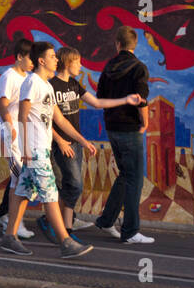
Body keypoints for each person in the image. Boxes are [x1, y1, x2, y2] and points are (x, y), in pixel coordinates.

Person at [37, 45, 147, 244]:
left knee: (70, 187)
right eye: (78, 62)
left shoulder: (74, 85)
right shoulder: (50, 86)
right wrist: (59, 141)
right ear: (68, 63)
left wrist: (126, 100)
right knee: (72, 186)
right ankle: (50, 221)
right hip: (59, 144)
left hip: (75, 142)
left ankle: (66, 230)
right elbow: (45, 118)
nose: (81, 65)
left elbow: (97, 103)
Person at [1, 42, 96, 259]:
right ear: (42, 61)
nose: (57, 60)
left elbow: (59, 119)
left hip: (39, 148)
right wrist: (24, 148)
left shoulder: (47, 86)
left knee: (22, 191)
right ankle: (65, 242)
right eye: (53, 56)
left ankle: (9, 237)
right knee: (50, 194)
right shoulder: (32, 83)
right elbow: (22, 117)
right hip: (34, 150)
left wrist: (82, 140)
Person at [94, 26, 155, 245]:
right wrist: (145, 122)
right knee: (135, 179)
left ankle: (106, 220)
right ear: (134, 44)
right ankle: (130, 231)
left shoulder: (108, 67)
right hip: (130, 128)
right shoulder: (139, 68)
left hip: (112, 127)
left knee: (125, 175)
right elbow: (141, 99)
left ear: (117, 44)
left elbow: (100, 95)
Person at [0, 38, 36, 239]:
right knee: (19, 178)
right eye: (30, 58)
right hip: (12, 133)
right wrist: (9, 125)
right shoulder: (8, 76)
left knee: (21, 179)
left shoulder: (28, 77)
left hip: (26, 135)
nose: (33, 62)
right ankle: (13, 224)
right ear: (19, 57)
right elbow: (2, 104)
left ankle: (9, 218)